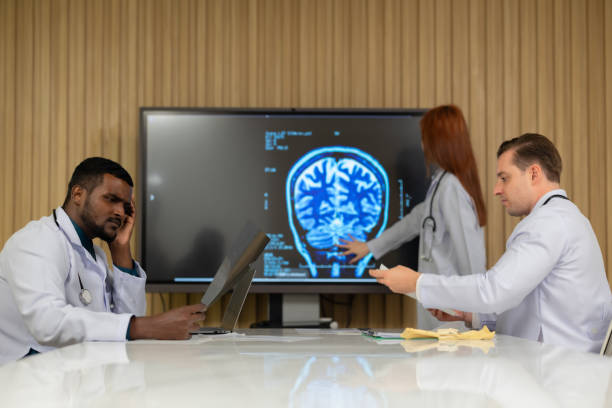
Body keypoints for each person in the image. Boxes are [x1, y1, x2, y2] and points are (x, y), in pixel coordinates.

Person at [370, 133, 612, 352]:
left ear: (534, 174)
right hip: (560, 364)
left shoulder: (548, 223)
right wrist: (470, 315)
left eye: (504, 178)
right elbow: (532, 307)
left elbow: (494, 291)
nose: (497, 190)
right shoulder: (564, 217)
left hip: (558, 375)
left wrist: (418, 283)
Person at [0, 157, 206, 364]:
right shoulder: (38, 239)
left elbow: (123, 331)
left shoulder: (95, 254)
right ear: (78, 194)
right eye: (111, 199)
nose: (120, 212)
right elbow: (48, 323)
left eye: (126, 206)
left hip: (71, 378)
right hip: (25, 383)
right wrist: (146, 326)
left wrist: (121, 248)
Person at [338, 105, 487, 329]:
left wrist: (479, 318)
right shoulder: (442, 185)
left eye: (424, 137)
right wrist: (370, 246)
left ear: (439, 141)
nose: (422, 144)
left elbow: (471, 261)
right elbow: (415, 221)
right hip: (439, 311)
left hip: (454, 320)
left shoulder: (452, 188)